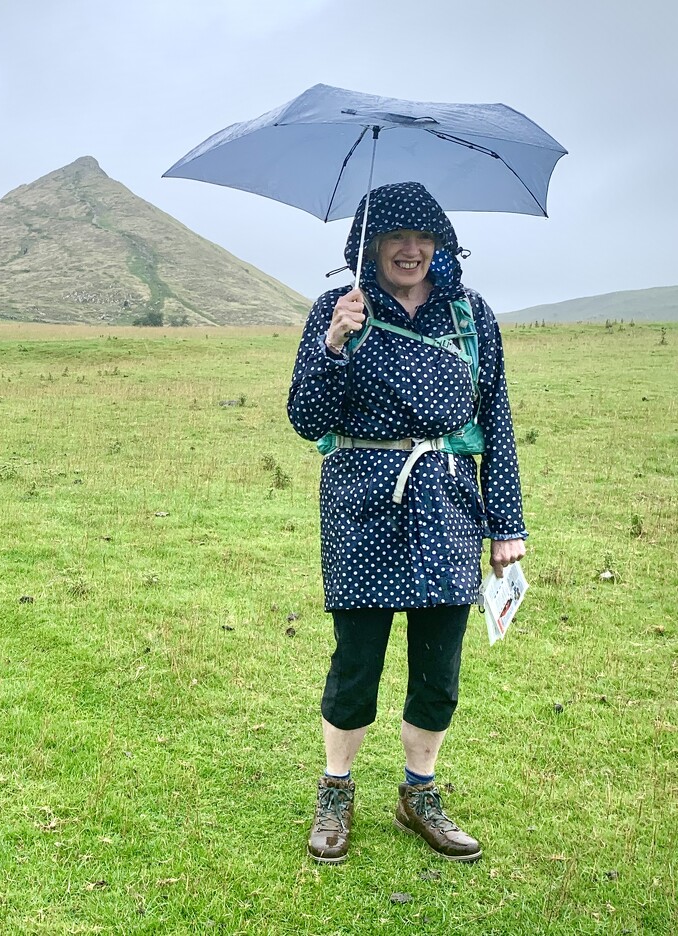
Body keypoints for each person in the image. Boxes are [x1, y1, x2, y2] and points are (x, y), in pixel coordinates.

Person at [287, 181, 526, 864]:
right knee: (356, 660)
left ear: (442, 245)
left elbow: (495, 420)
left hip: (449, 505)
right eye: (398, 237)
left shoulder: (470, 315)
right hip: (361, 502)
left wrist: (506, 525)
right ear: (370, 245)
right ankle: (336, 791)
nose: (413, 249)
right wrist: (335, 343)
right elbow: (307, 420)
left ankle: (419, 795)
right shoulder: (339, 309)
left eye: (425, 237)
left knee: (439, 667)